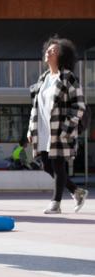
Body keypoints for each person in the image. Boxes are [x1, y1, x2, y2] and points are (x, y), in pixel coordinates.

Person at [27, 37, 88, 214]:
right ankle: (77, 191)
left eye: (54, 51)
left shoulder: (68, 77)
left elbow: (79, 106)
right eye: (48, 50)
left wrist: (66, 129)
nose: (49, 52)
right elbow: (35, 107)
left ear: (62, 55)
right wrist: (31, 128)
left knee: (58, 165)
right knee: (46, 165)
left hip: (59, 131)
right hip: (43, 130)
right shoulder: (43, 78)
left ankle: (56, 203)